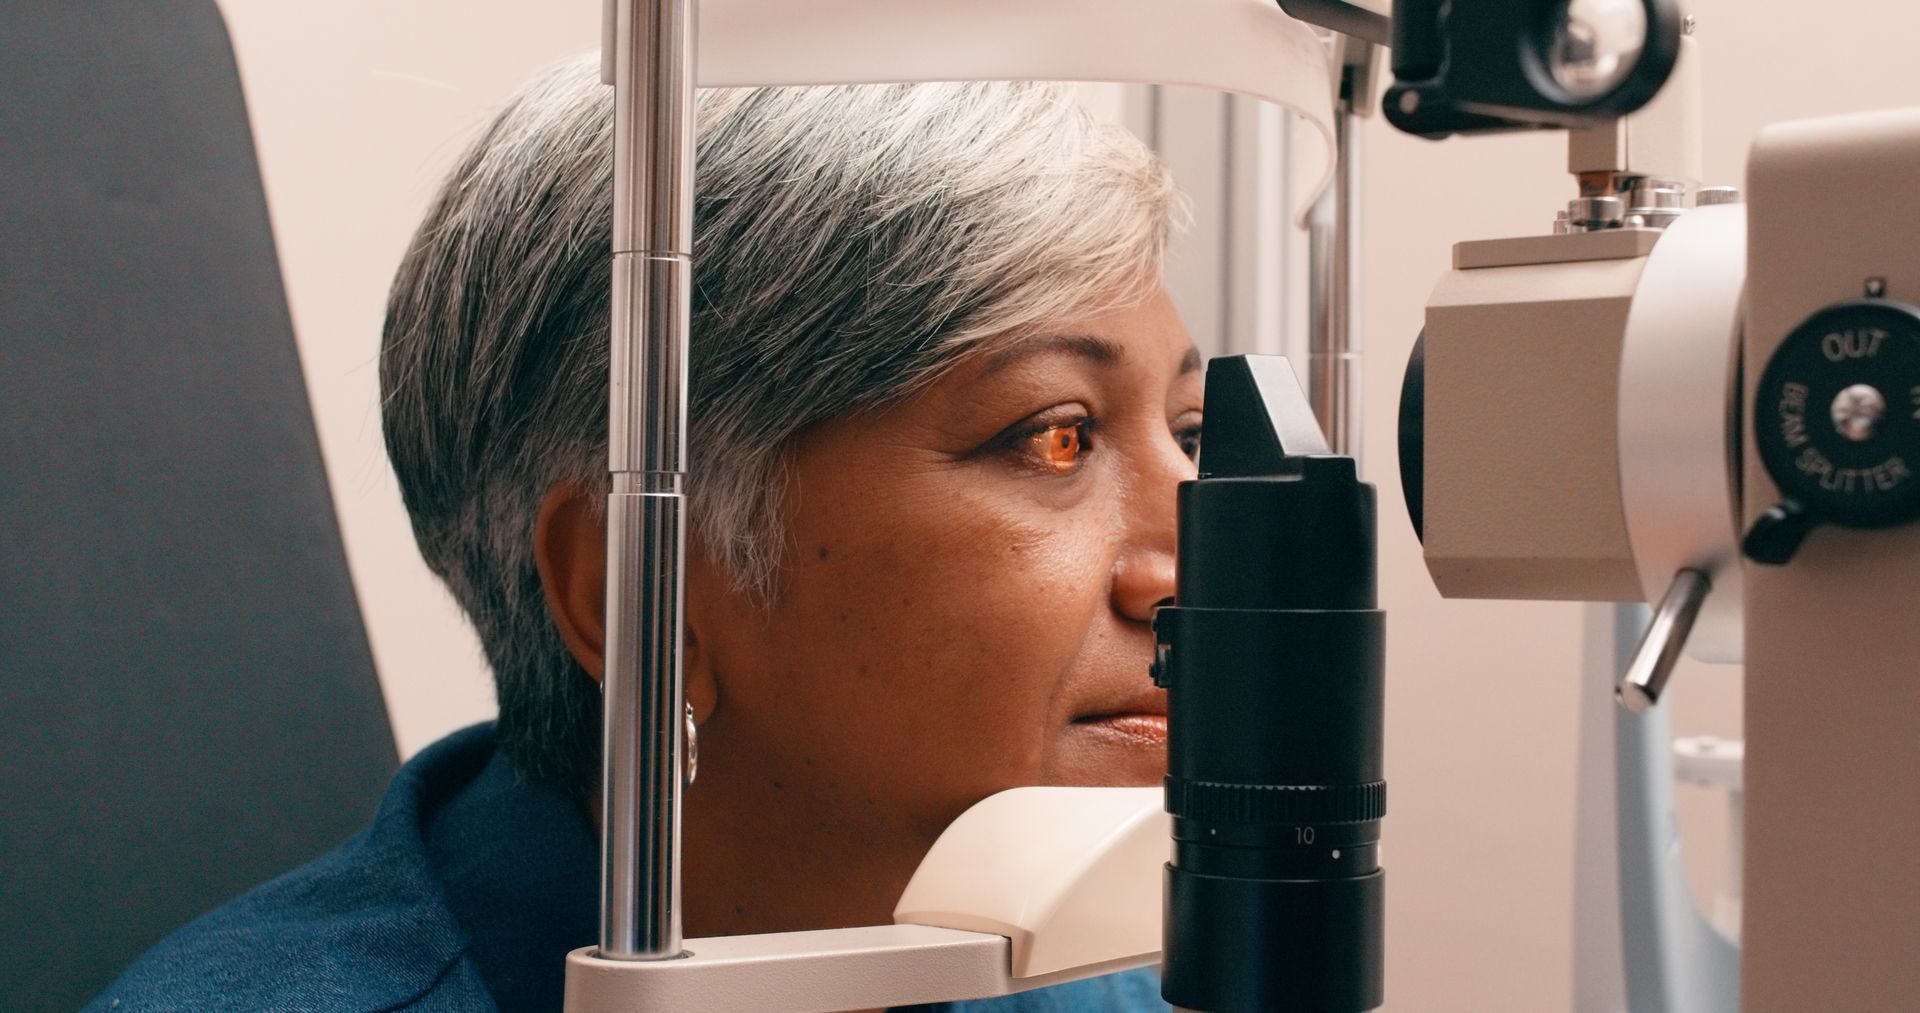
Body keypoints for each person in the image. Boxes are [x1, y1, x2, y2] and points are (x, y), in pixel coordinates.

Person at [93, 55, 1197, 1011]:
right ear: (639, 591)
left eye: (1192, 431)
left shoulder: (1109, 982)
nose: (1187, 569)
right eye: (1055, 436)